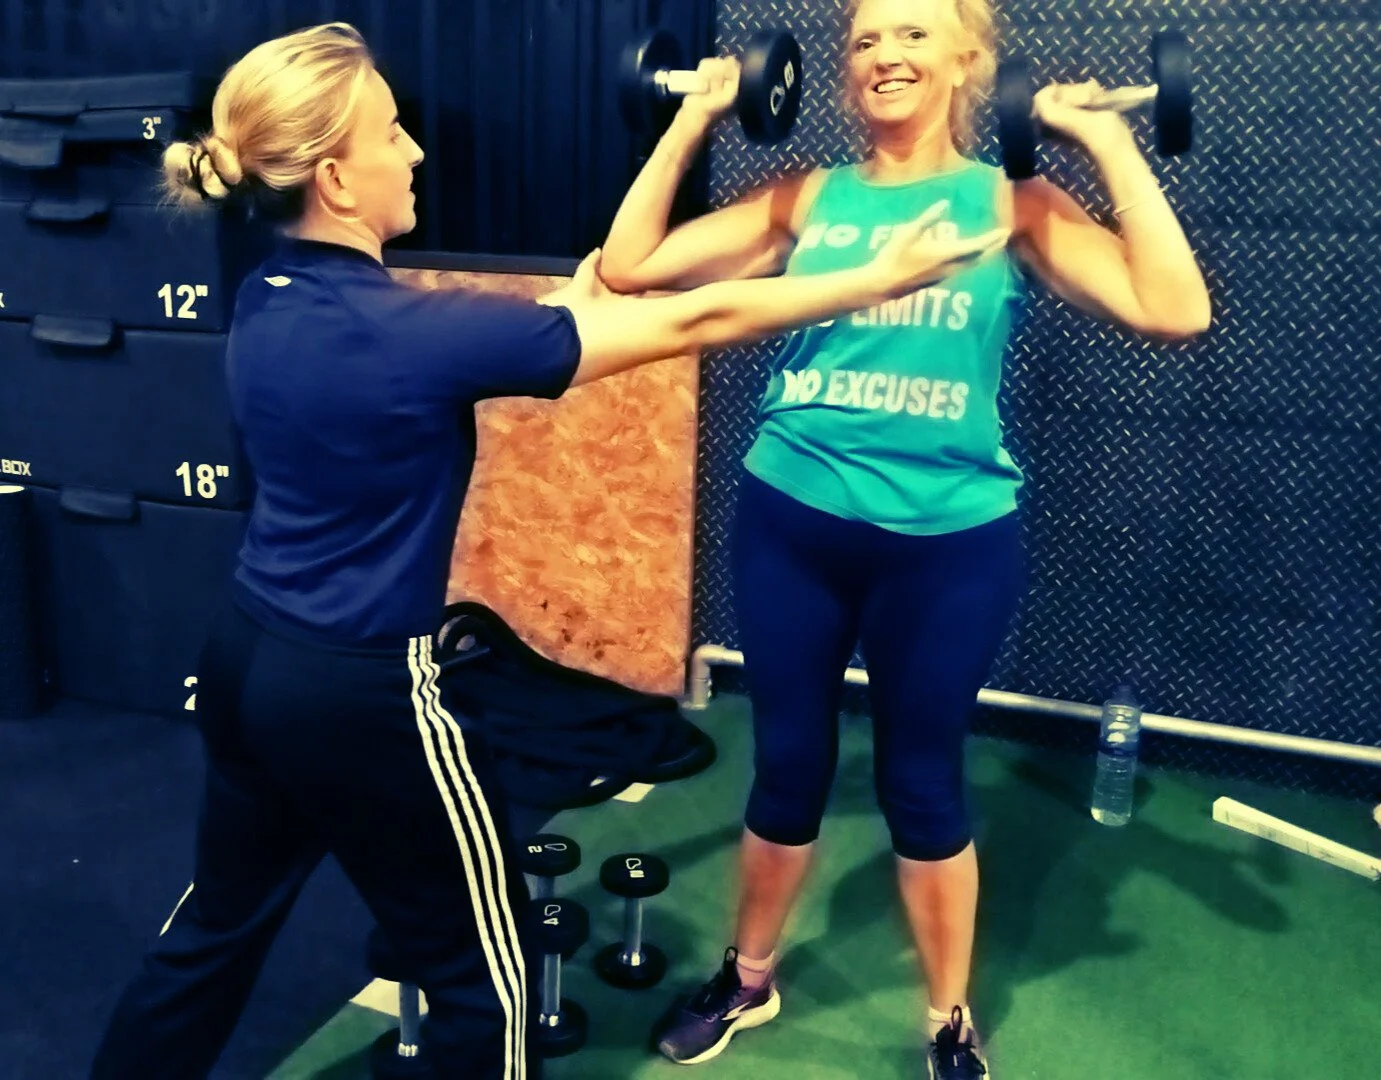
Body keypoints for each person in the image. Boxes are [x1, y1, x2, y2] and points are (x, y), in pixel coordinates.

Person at [86, 20, 1015, 1080]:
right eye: (396, 134)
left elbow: (474, 347)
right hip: (363, 695)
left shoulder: (267, 294)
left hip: (250, 656)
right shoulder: (413, 331)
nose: (417, 153)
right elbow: (688, 319)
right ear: (339, 180)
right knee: (488, 980)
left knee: (213, 934)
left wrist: (566, 314)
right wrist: (865, 281)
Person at [598, 0, 1211, 1077]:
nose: (885, 53)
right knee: (785, 766)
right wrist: (691, 118)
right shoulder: (806, 197)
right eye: (867, 39)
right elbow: (628, 266)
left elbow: (1173, 309)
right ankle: (747, 980)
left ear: (967, 59)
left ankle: (944, 1020)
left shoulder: (1011, 201)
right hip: (792, 520)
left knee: (922, 784)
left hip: (946, 545)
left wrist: (1110, 141)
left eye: (914, 33)